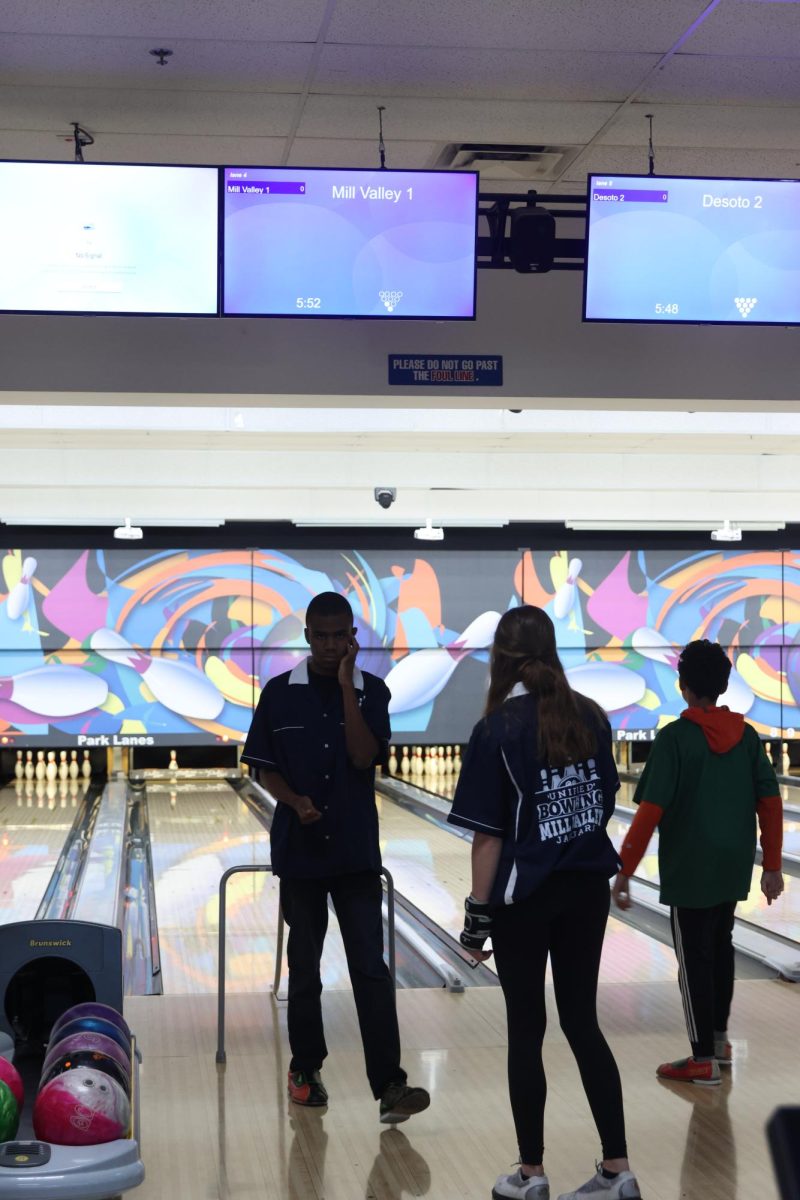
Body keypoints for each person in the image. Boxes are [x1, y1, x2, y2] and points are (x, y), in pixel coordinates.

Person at [449, 605, 640, 1200]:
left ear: (499, 659)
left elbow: (488, 837)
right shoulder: (592, 716)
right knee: (583, 1023)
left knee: (526, 1029)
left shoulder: (496, 729)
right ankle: (618, 1168)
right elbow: (603, 800)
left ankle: (530, 1176)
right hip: (585, 889)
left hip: (524, 898)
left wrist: (476, 920)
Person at [241, 591, 430, 1124]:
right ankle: (305, 1070)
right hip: (300, 853)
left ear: (353, 637)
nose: (329, 645)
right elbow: (262, 766)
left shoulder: (373, 691)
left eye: (339, 636)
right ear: (307, 636)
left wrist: (347, 686)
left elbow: (363, 755)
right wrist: (293, 799)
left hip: (354, 853)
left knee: (370, 968)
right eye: (320, 636)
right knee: (304, 970)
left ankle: (390, 1085)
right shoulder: (279, 694)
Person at [613, 638, 784, 1085]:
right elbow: (770, 800)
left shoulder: (673, 738)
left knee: (693, 959)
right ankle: (720, 1041)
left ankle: (701, 1057)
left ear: (683, 686)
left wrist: (624, 871)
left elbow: (650, 811)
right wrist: (771, 864)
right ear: (725, 685)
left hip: (690, 865)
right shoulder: (746, 736)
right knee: (720, 944)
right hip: (731, 864)